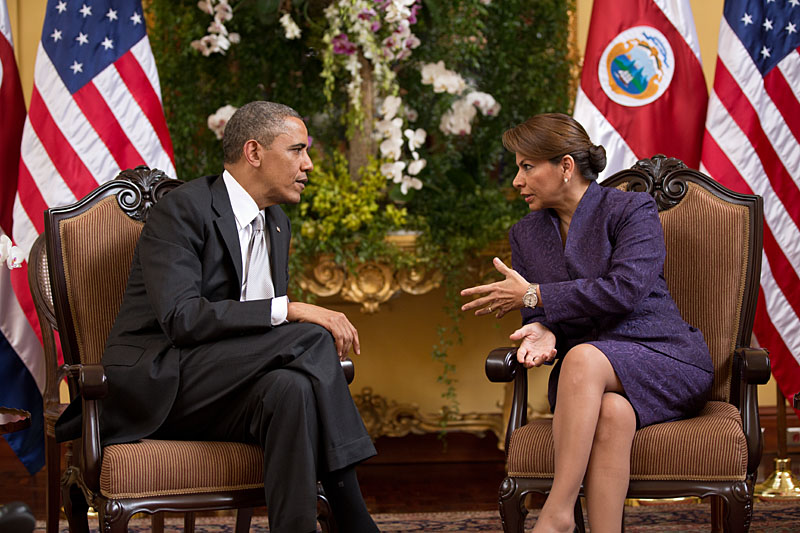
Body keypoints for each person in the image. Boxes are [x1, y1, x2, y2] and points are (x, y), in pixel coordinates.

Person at [56, 101, 380, 533]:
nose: (309, 164)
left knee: (292, 388)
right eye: (297, 150)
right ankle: (351, 509)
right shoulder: (182, 210)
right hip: (160, 382)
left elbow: (257, 335)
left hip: (227, 386)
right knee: (313, 338)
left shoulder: (277, 222)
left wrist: (285, 317)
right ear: (254, 152)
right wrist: (292, 308)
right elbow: (182, 319)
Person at [460, 113, 713, 533]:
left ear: (565, 167)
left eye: (526, 167)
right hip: (593, 383)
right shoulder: (526, 233)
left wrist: (535, 295)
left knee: (581, 359)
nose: (516, 181)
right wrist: (540, 325)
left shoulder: (632, 209)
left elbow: (624, 290)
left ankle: (557, 512)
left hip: (664, 359)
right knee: (612, 413)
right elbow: (538, 312)